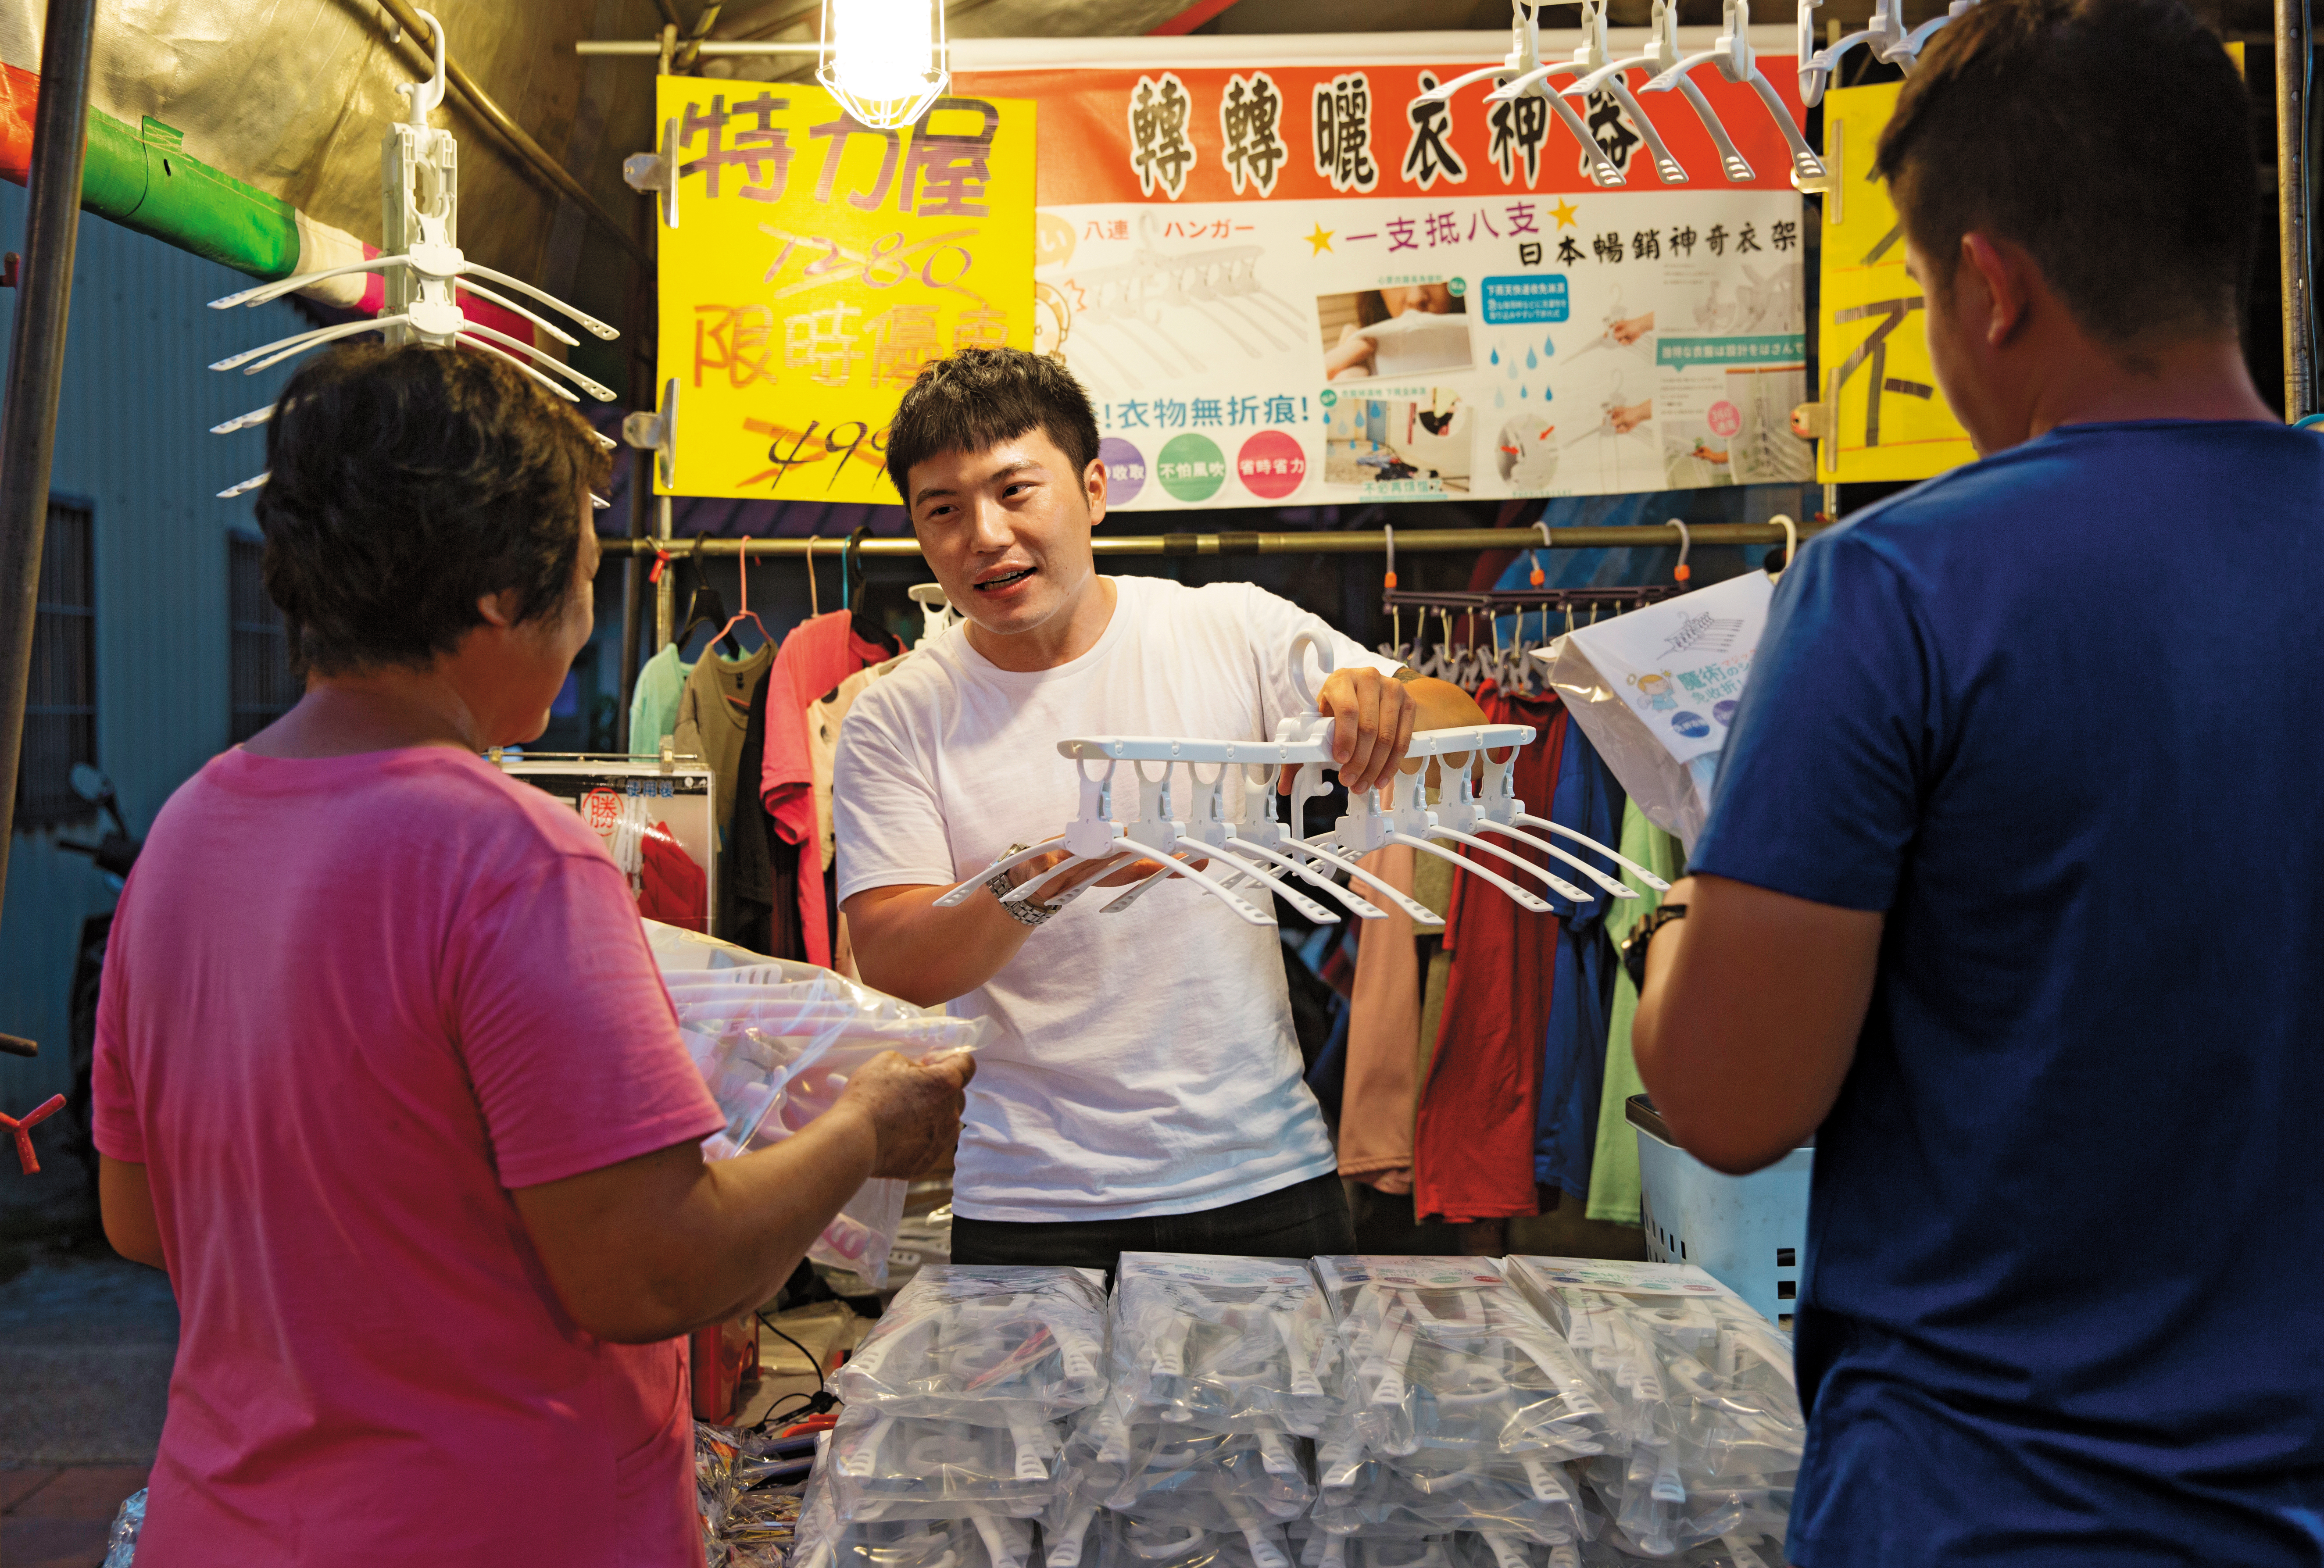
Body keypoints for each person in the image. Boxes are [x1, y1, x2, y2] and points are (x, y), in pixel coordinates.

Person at [1627, 0, 2324, 1562]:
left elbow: (1727, 1101)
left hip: (1985, 1503)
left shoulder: (1894, 592)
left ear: (1988, 287)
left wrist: (1667, 928)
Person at [92, 344, 973, 1565]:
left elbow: (141, 1216)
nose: (587, 614)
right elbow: (656, 1268)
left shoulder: (189, 830)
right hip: (491, 1525)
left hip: (228, 1523)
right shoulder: (508, 853)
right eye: (586, 574)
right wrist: (869, 1128)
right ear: (504, 594)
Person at [836, 347, 1488, 1275]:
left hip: (1263, 1179)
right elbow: (897, 959)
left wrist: (1391, 705)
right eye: (943, 510)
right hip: (1029, 1200)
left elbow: (1460, 724)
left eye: (1016, 491)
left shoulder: (1230, 628)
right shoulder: (895, 713)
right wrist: (1050, 875)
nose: (984, 535)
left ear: (1093, 489)